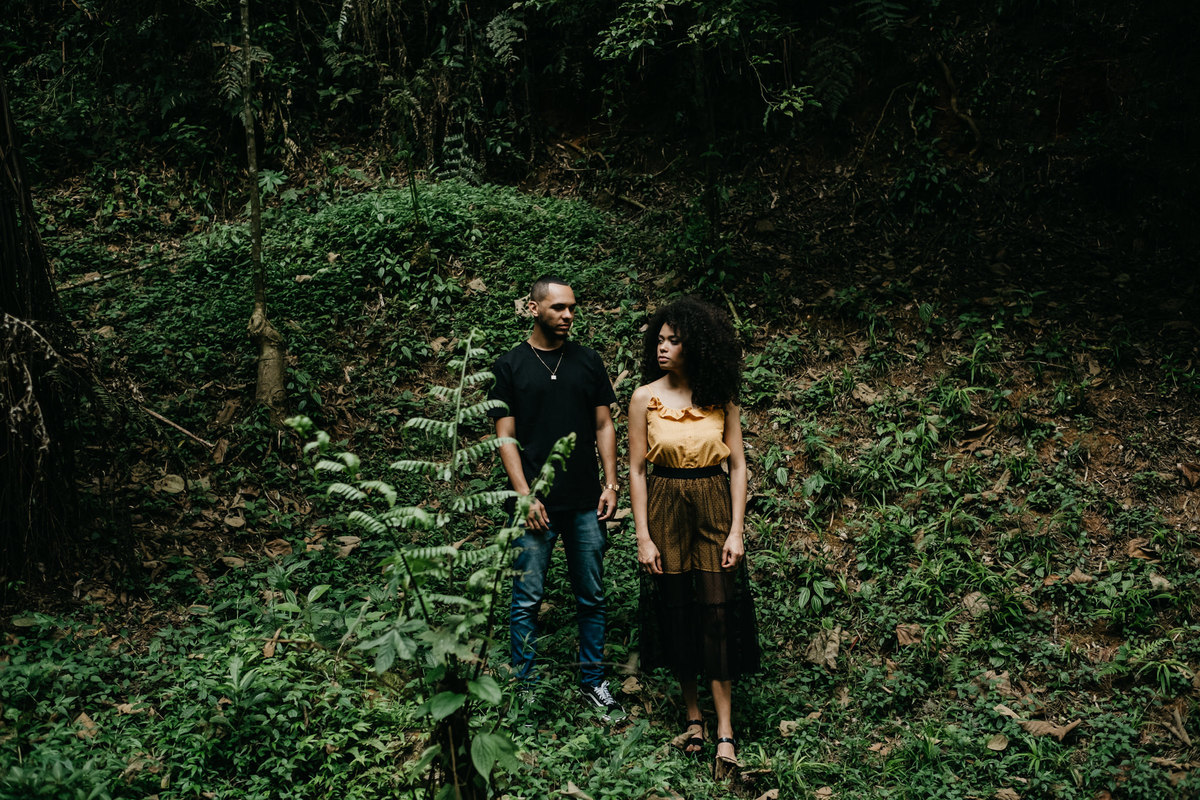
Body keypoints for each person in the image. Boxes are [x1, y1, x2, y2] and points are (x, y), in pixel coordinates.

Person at [628, 296, 759, 778]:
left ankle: (725, 729)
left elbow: (739, 464)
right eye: (659, 340)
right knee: (677, 607)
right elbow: (638, 470)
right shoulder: (644, 397)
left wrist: (736, 529)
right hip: (664, 499)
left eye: (674, 340)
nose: (663, 347)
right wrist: (643, 535)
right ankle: (693, 714)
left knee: (718, 612)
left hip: (712, 498)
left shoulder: (720, 395)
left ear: (696, 344)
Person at [487, 275, 625, 720]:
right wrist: (525, 496)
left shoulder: (587, 361)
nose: (568, 316)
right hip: (535, 506)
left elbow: (604, 425)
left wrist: (612, 483)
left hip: (586, 500)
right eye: (558, 308)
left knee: (592, 596)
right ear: (533, 309)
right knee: (526, 598)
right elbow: (505, 439)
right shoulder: (509, 366)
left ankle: (593, 683)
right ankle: (525, 686)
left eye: (571, 308)